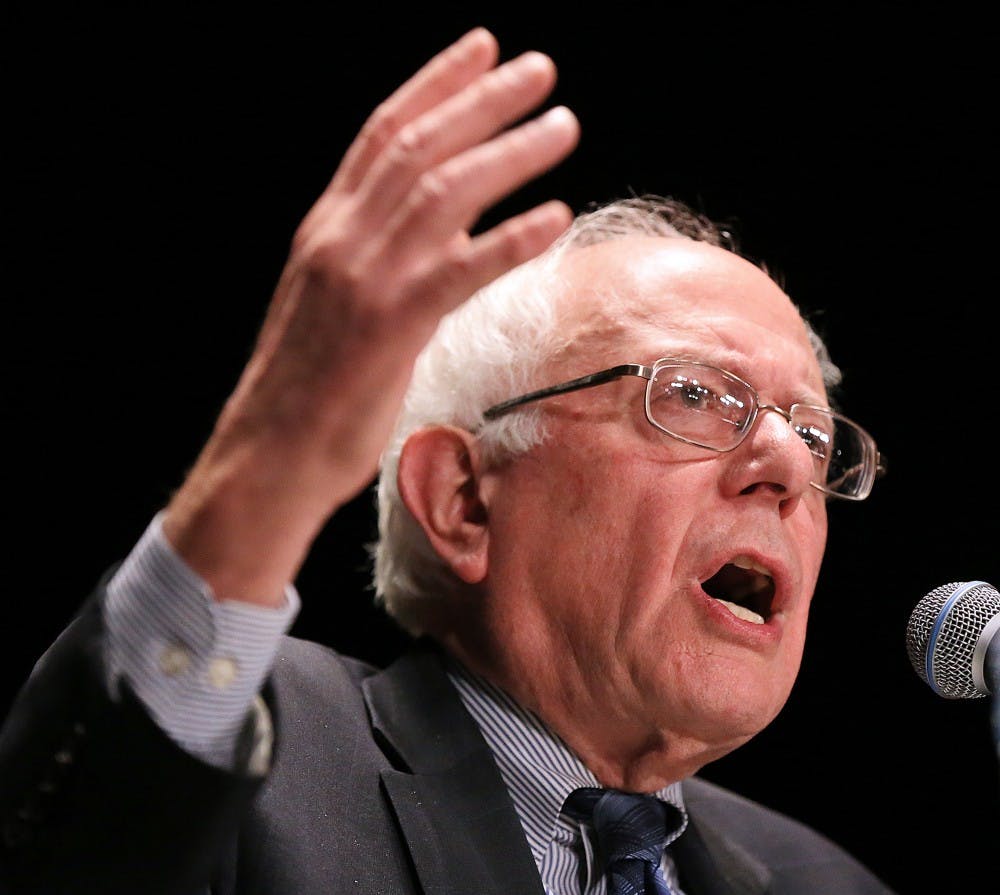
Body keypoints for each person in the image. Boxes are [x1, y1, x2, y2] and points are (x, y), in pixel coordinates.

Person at [0, 26, 894, 895]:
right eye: (695, 394)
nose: (782, 462)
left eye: (812, 433)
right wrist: (271, 458)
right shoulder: (247, 763)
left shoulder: (828, 880)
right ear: (463, 498)